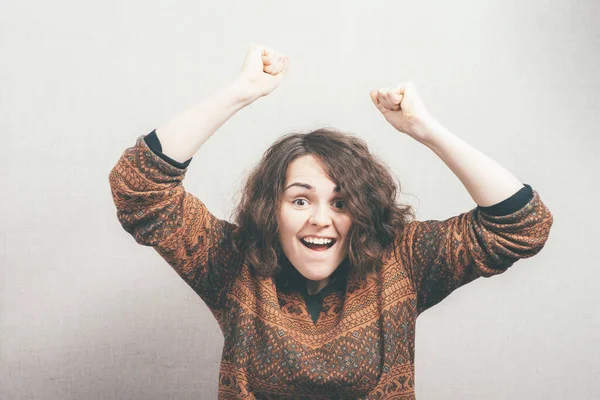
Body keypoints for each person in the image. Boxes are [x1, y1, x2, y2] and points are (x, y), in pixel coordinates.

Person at [109, 43, 553, 399]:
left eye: (341, 203)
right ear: (272, 209)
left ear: (362, 213)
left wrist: (427, 130)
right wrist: (240, 92)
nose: (321, 219)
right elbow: (138, 190)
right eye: (300, 201)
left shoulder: (403, 261)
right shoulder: (233, 264)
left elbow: (522, 225)